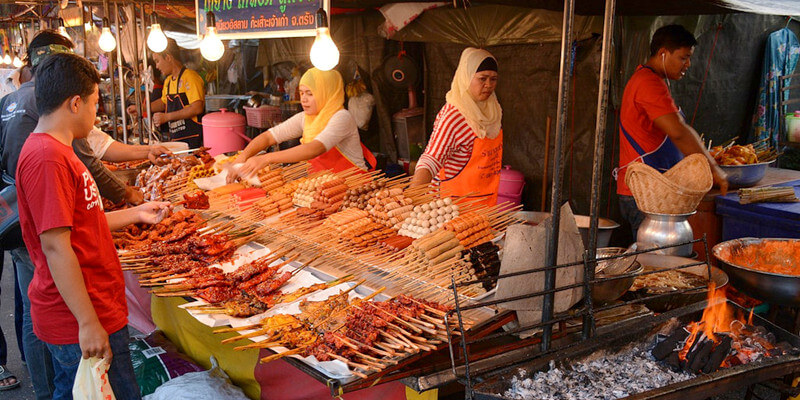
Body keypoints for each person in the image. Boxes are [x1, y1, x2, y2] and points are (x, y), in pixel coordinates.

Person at [17, 52, 169, 400]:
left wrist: (137, 213)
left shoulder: (60, 150)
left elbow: (81, 223)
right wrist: (87, 323)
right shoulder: (47, 158)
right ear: (74, 103)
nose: (96, 112)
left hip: (97, 306)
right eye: (94, 103)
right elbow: (56, 246)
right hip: (77, 317)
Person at [615, 24, 728, 237]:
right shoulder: (648, 83)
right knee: (656, 262)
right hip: (644, 193)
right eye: (683, 57)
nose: (688, 64)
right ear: (663, 54)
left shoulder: (653, 80)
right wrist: (713, 169)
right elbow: (678, 132)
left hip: (654, 190)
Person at [228, 68, 376, 181]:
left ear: (327, 93)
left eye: (310, 94)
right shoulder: (305, 118)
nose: (303, 99)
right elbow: (268, 137)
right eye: (302, 93)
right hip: (323, 189)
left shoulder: (342, 117)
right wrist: (242, 158)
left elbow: (315, 148)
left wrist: (266, 158)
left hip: (354, 187)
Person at [410, 48, 503, 207]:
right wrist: (411, 197)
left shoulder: (493, 110)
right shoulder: (454, 116)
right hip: (449, 208)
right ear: (467, 78)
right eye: (482, 78)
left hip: (483, 204)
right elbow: (431, 158)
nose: (488, 85)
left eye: (493, 79)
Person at [128, 39, 204, 149]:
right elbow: (164, 103)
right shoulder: (168, 81)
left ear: (168, 57)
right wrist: (141, 108)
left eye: (157, 61)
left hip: (193, 140)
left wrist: (167, 117)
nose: (157, 66)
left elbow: (197, 108)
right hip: (177, 140)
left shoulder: (190, 77)